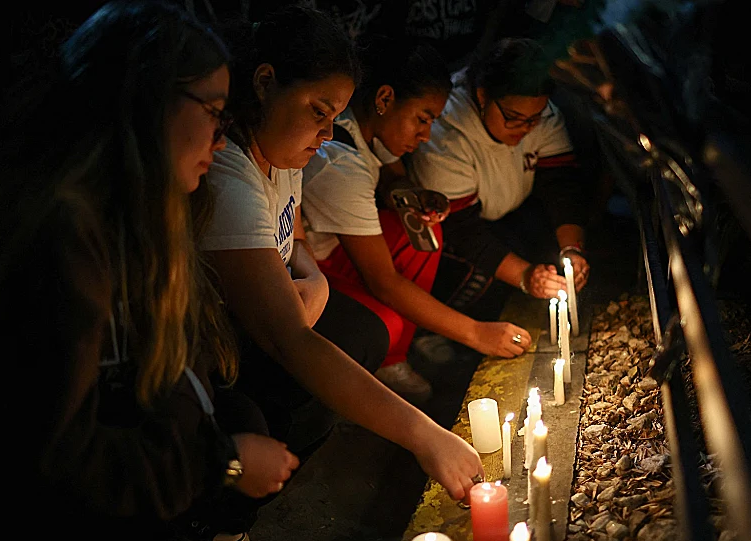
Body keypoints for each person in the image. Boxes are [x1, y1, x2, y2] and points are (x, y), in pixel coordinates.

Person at [0, 2, 298, 541]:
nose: (221, 137)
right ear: (145, 101)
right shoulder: (59, 238)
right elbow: (54, 456)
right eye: (213, 112)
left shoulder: (138, 216)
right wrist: (223, 464)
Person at [204, 4, 485, 503]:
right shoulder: (229, 175)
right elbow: (287, 333)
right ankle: (222, 510)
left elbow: (295, 238)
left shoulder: (281, 152)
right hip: (218, 345)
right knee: (319, 369)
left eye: (335, 117)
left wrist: (315, 283)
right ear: (265, 82)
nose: (329, 133)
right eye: (319, 111)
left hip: (285, 303)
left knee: (364, 332)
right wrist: (427, 437)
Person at [300, 34, 532, 402]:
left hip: (341, 247)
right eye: (422, 120)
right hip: (312, 263)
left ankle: (401, 348)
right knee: (386, 323)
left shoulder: (363, 127)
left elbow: (394, 179)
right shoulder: (340, 167)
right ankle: (383, 360)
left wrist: (413, 197)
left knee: (425, 228)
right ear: (385, 99)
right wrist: (477, 333)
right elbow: (384, 282)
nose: (425, 136)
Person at [406, 37, 591, 310]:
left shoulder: (543, 117)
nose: (525, 128)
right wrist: (527, 277)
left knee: (546, 248)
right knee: (480, 276)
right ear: (483, 96)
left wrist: (572, 250)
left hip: (507, 210)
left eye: (534, 118)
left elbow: (561, 185)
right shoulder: (446, 136)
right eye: (513, 117)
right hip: (448, 233)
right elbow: (463, 230)